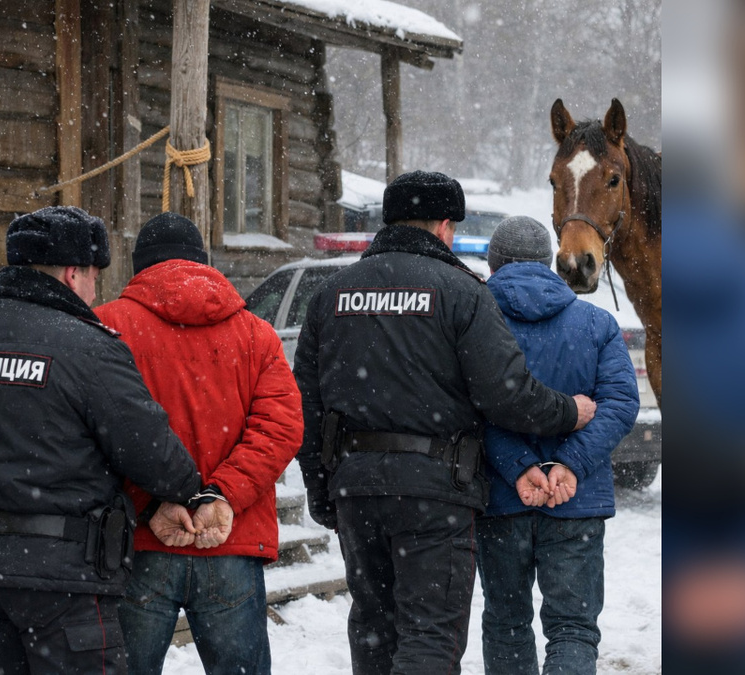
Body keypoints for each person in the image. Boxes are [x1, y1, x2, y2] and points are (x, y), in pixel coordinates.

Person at [294, 171, 598, 675]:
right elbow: (508, 395)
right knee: (429, 638)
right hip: (435, 492)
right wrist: (570, 410)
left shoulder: (332, 294)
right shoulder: (461, 292)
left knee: (374, 628)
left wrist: (321, 486)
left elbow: (305, 404)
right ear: (444, 227)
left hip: (356, 489)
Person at [0, 206, 205, 674]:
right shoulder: (86, 345)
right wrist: (188, 490)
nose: (94, 291)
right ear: (73, 273)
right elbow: (151, 450)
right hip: (62, 578)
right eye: (93, 277)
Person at [95, 212, 303, 675]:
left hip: (138, 542)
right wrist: (222, 496)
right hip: (230, 540)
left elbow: (94, 432)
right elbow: (281, 426)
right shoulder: (256, 333)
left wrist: (147, 504)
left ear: (139, 266)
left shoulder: (106, 328)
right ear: (203, 262)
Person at [476, 216, 640, 675]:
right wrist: (570, 464)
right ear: (548, 261)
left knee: (506, 623)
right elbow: (621, 403)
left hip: (501, 499)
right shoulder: (596, 323)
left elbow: (468, 406)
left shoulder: (473, 319)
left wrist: (516, 465)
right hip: (577, 500)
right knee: (572, 628)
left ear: (494, 265)